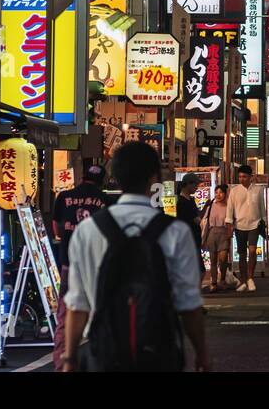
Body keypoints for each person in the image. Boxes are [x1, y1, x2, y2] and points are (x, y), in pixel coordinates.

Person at [62, 142, 210, 372]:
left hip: (104, 352)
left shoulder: (88, 230)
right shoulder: (175, 232)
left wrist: (70, 358)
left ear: (115, 177)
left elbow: (77, 304)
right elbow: (189, 304)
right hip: (159, 352)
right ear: (154, 178)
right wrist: (202, 353)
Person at [50, 164, 112, 369]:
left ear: (83, 177)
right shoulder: (105, 200)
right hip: (97, 265)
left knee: (65, 314)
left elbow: (57, 230)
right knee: (102, 313)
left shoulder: (64, 196)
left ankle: (61, 362)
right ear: (102, 181)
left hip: (70, 264)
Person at [225, 164, 266, 292]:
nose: (241, 179)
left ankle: (250, 278)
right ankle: (243, 280)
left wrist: (264, 221)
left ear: (250, 177)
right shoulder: (234, 191)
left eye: (244, 176)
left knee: (252, 250)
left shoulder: (258, 190)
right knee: (242, 254)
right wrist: (229, 224)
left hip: (254, 224)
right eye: (240, 176)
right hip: (239, 225)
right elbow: (230, 209)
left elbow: (262, 207)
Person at [201, 185, 232, 292]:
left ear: (225, 194)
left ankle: (222, 279)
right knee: (213, 260)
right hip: (212, 233)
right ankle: (214, 282)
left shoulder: (229, 206)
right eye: (216, 192)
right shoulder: (210, 206)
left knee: (223, 259)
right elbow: (205, 220)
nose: (218, 195)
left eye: (220, 192)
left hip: (224, 233)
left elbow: (232, 221)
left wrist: (230, 232)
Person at [175, 175, 204, 275]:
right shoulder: (182, 202)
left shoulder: (190, 200)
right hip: (188, 240)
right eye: (195, 184)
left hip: (193, 239)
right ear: (188, 184)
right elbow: (197, 219)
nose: (197, 187)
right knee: (199, 271)